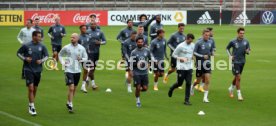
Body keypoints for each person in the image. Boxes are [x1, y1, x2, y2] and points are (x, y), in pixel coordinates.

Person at [16, 31, 49, 116]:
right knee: (30, 88)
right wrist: (25, 58)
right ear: (34, 36)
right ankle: (32, 106)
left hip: (38, 70)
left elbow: (47, 56)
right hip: (28, 69)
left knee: (35, 88)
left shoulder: (42, 46)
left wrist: (41, 61)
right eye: (38, 36)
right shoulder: (26, 45)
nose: (40, 38)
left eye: (40, 36)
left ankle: (31, 103)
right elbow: (18, 53)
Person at [59, 33, 88, 113]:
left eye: (73, 37)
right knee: (71, 88)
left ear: (77, 38)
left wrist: (81, 59)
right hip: (68, 70)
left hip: (77, 70)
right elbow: (60, 54)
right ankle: (71, 105)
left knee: (74, 89)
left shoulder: (81, 48)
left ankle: (68, 102)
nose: (72, 39)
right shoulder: (66, 47)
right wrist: (62, 62)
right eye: (71, 37)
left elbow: (86, 57)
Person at [168, 33, 195, 105]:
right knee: (180, 83)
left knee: (188, 83)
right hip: (181, 67)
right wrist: (180, 58)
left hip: (189, 67)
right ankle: (172, 88)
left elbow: (192, 53)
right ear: (187, 38)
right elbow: (174, 55)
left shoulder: (193, 45)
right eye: (190, 40)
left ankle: (187, 100)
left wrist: (193, 58)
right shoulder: (180, 46)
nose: (191, 42)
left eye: (192, 41)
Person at [226, 27, 250, 101]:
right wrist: (230, 56)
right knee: (238, 77)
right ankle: (239, 94)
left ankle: (230, 88)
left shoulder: (246, 41)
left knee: (237, 77)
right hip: (235, 62)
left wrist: (248, 51)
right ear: (237, 33)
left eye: (243, 33)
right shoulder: (233, 41)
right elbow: (227, 48)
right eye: (240, 33)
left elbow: (248, 50)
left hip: (242, 61)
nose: (242, 34)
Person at [192, 29, 214, 103]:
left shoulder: (210, 42)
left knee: (207, 80)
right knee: (198, 80)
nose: (207, 36)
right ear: (202, 35)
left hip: (207, 64)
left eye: (208, 35)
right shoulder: (198, 42)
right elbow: (194, 52)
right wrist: (202, 56)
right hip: (199, 63)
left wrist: (212, 53)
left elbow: (211, 51)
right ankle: (192, 87)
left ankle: (205, 98)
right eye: (206, 35)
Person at [130, 37, 151, 107]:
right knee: (138, 87)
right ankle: (138, 100)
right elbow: (131, 63)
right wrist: (131, 71)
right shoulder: (133, 52)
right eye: (138, 42)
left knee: (145, 88)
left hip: (144, 73)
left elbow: (150, 59)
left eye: (141, 42)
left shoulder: (147, 51)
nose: (140, 43)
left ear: (143, 42)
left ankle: (137, 91)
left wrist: (149, 66)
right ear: (136, 43)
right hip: (136, 73)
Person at [85, 22, 107, 90]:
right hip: (89, 52)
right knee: (91, 68)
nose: (93, 25)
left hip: (97, 52)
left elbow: (105, 41)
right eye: (92, 24)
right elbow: (83, 40)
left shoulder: (100, 32)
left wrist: (100, 42)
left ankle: (89, 80)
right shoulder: (87, 32)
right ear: (90, 25)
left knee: (93, 68)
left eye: (94, 24)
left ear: (96, 25)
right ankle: (90, 82)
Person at [78, 25, 91, 93]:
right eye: (83, 29)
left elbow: (88, 45)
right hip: (78, 57)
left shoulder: (88, 37)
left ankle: (83, 86)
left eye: (85, 28)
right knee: (76, 71)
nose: (85, 30)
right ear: (80, 29)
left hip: (86, 56)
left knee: (86, 70)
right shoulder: (78, 37)